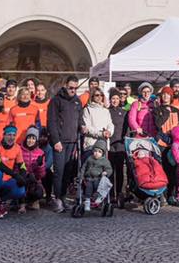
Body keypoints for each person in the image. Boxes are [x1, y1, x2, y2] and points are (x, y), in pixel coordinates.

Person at [47, 75, 83, 213]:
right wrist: (56, 140)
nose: (73, 90)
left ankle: (63, 196)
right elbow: (52, 122)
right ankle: (56, 198)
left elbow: (79, 120)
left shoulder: (77, 102)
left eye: (75, 88)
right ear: (65, 86)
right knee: (59, 171)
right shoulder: (56, 100)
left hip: (72, 142)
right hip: (60, 142)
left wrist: (82, 127)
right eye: (71, 88)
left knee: (68, 172)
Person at [0, 126, 27, 218]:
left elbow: (21, 165)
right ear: (4, 135)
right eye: (9, 135)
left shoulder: (17, 148)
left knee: (21, 191)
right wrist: (15, 175)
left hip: (6, 181)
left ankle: (1, 201)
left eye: (14, 135)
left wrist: (22, 177)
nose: (11, 137)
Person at [107, 89, 129, 204]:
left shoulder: (124, 112)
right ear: (110, 100)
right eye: (113, 98)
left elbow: (127, 129)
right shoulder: (106, 112)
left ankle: (119, 193)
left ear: (120, 99)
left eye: (116, 98)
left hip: (120, 145)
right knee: (110, 171)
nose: (115, 100)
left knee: (120, 171)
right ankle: (111, 195)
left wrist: (125, 138)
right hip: (110, 145)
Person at [79, 140, 113, 211]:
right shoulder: (89, 159)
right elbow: (83, 168)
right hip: (89, 179)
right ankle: (87, 202)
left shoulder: (104, 161)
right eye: (95, 151)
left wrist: (106, 172)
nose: (96, 153)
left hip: (99, 179)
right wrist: (81, 177)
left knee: (99, 188)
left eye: (99, 152)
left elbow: (109, 169)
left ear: (102, 153)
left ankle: (97, 199)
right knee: (88, 189)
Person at [19, 127, 47, 210]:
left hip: (34, 180)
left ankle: (32, 201)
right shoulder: (19, 150)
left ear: (36, 140)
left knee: (38, 192)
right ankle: (21, 202)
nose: (30, 141)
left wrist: (40, 165)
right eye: (29, 138)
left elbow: (42, 175)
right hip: (22, 177)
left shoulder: (40, 152)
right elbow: (16, 167)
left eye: (33, 138)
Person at [81, 89, 114, 156]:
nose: (99, 97)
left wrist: (109, 132)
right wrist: (101, 133)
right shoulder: (87, 109)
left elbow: (110, 124)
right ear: (92, 97)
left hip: (103, 144)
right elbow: (87, 128)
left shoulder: (106, 110)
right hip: (91, 144)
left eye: (101, 95)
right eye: (97, 95)